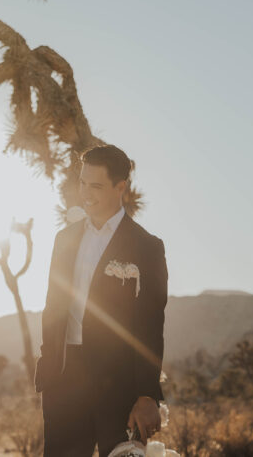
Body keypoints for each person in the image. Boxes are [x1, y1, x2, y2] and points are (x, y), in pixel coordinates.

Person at [34, 145, 168, 457]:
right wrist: (49, 363)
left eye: (95, 186)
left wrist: (147, 395)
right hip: (64, 381)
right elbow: (53, 306)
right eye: (82, 183)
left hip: (119, 386)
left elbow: (151, 323)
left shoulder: (147, 247)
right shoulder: (63, 239)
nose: (86, 194)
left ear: (121, 187)